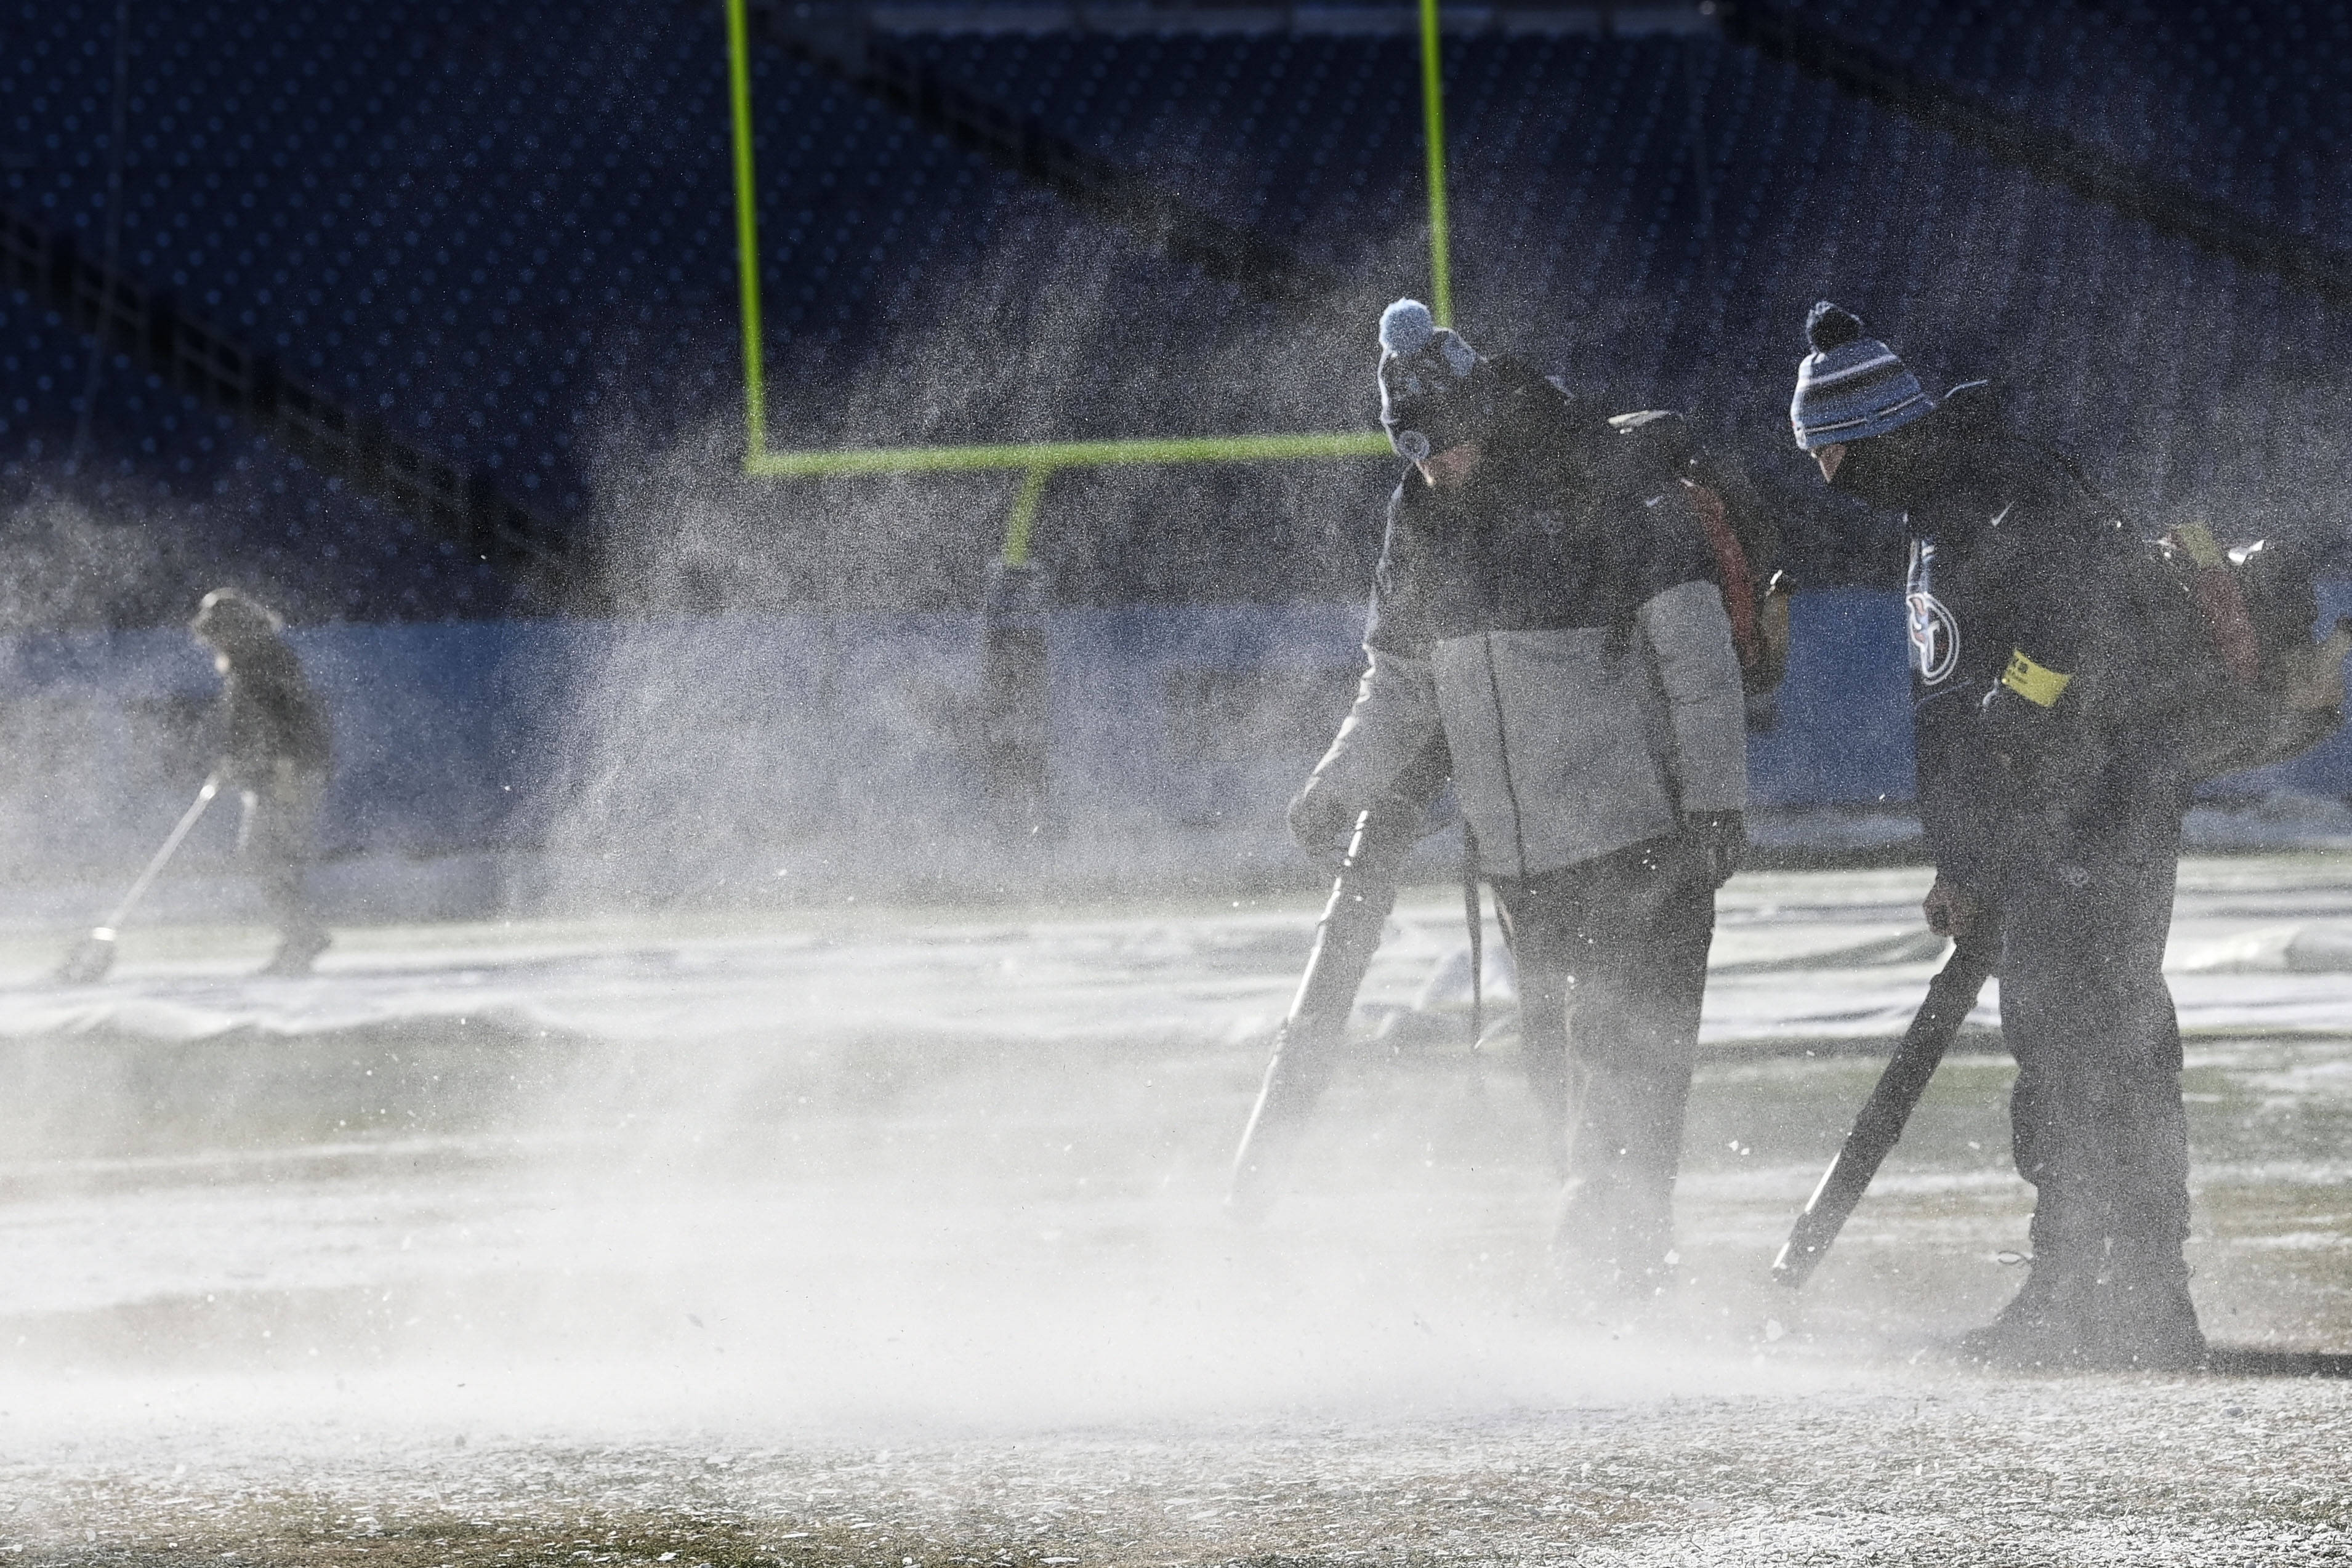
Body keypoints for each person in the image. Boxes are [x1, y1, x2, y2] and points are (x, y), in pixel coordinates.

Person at [1287, 299, 1749, 1293]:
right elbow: (1401, 682)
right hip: (1526, 871)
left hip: (1639, 839)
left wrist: (1716, 799)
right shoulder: (1419, 515)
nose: (1436, 468)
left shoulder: (1594, 471)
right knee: (1561, 1087)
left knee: (1626, 1074)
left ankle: (1611, 1275)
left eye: (1446, 445)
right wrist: (1337, 787)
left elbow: (1694, 640)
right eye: (1415, 452)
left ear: (1480, 412)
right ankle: (1619, 1272)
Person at [1789, 300, 2202, 1370]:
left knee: (2093, 1049)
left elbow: (2070, 630)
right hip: (2039, 828)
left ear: (1877, 429)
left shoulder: (2007, 491)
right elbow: (1954, 706)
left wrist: (2025, 712)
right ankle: (2115, 1292)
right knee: (2079, 1049)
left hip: (2091, 819)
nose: (1826, 478)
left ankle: (2112, 1297)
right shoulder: (1945, 510)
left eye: (1830, 452)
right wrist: (1963, 858)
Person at [191, 589, 334, 976]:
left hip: (288, 773)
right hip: (277, 772)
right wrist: (235, 761)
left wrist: (253, 763)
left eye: (217, 632)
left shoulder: (263, 661)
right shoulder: (250, 661)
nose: (212, 641)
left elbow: (283, 723)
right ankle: (300, 936)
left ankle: (302, 936)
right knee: (269, 856)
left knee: (268, 855)